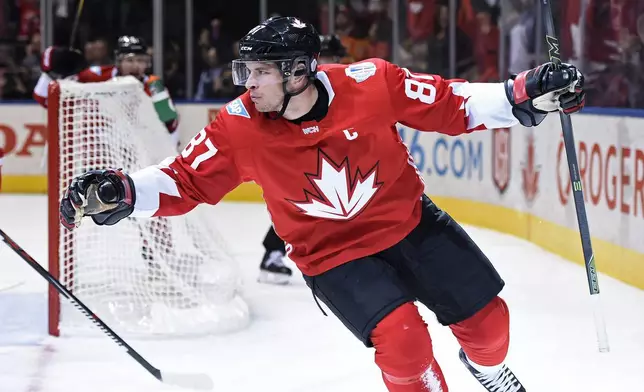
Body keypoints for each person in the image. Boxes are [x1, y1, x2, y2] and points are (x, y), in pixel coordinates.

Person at [58, 16, 585, 392]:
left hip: (410, 224)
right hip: (332, 255)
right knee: (404, 346)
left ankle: (487, 371)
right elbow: (185, 179)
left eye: (260, 73)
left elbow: (451, 103)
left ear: (297, 72)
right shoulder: (239, 124)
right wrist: (123, 191)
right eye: (246, 71)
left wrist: (523, 92)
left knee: (491, 330)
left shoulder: (372, 83)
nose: (247, 84)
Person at [257, 34, 350, 285]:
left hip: (325, 154)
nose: (333, 62)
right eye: (329, 56)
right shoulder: (292, 85)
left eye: (335, 57)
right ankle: (273, 254)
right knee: (299, 206)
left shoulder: (337, 83)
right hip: (297, 154)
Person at [33, 36, 180, 147]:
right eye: (130, 60)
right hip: (98, 156)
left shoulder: (153, 86)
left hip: (140, 155)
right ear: (118, 61)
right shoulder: (97, 76)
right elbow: (43, 97)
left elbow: (171, 127)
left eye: (141, 61)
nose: (136, 66)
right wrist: (52, 71)